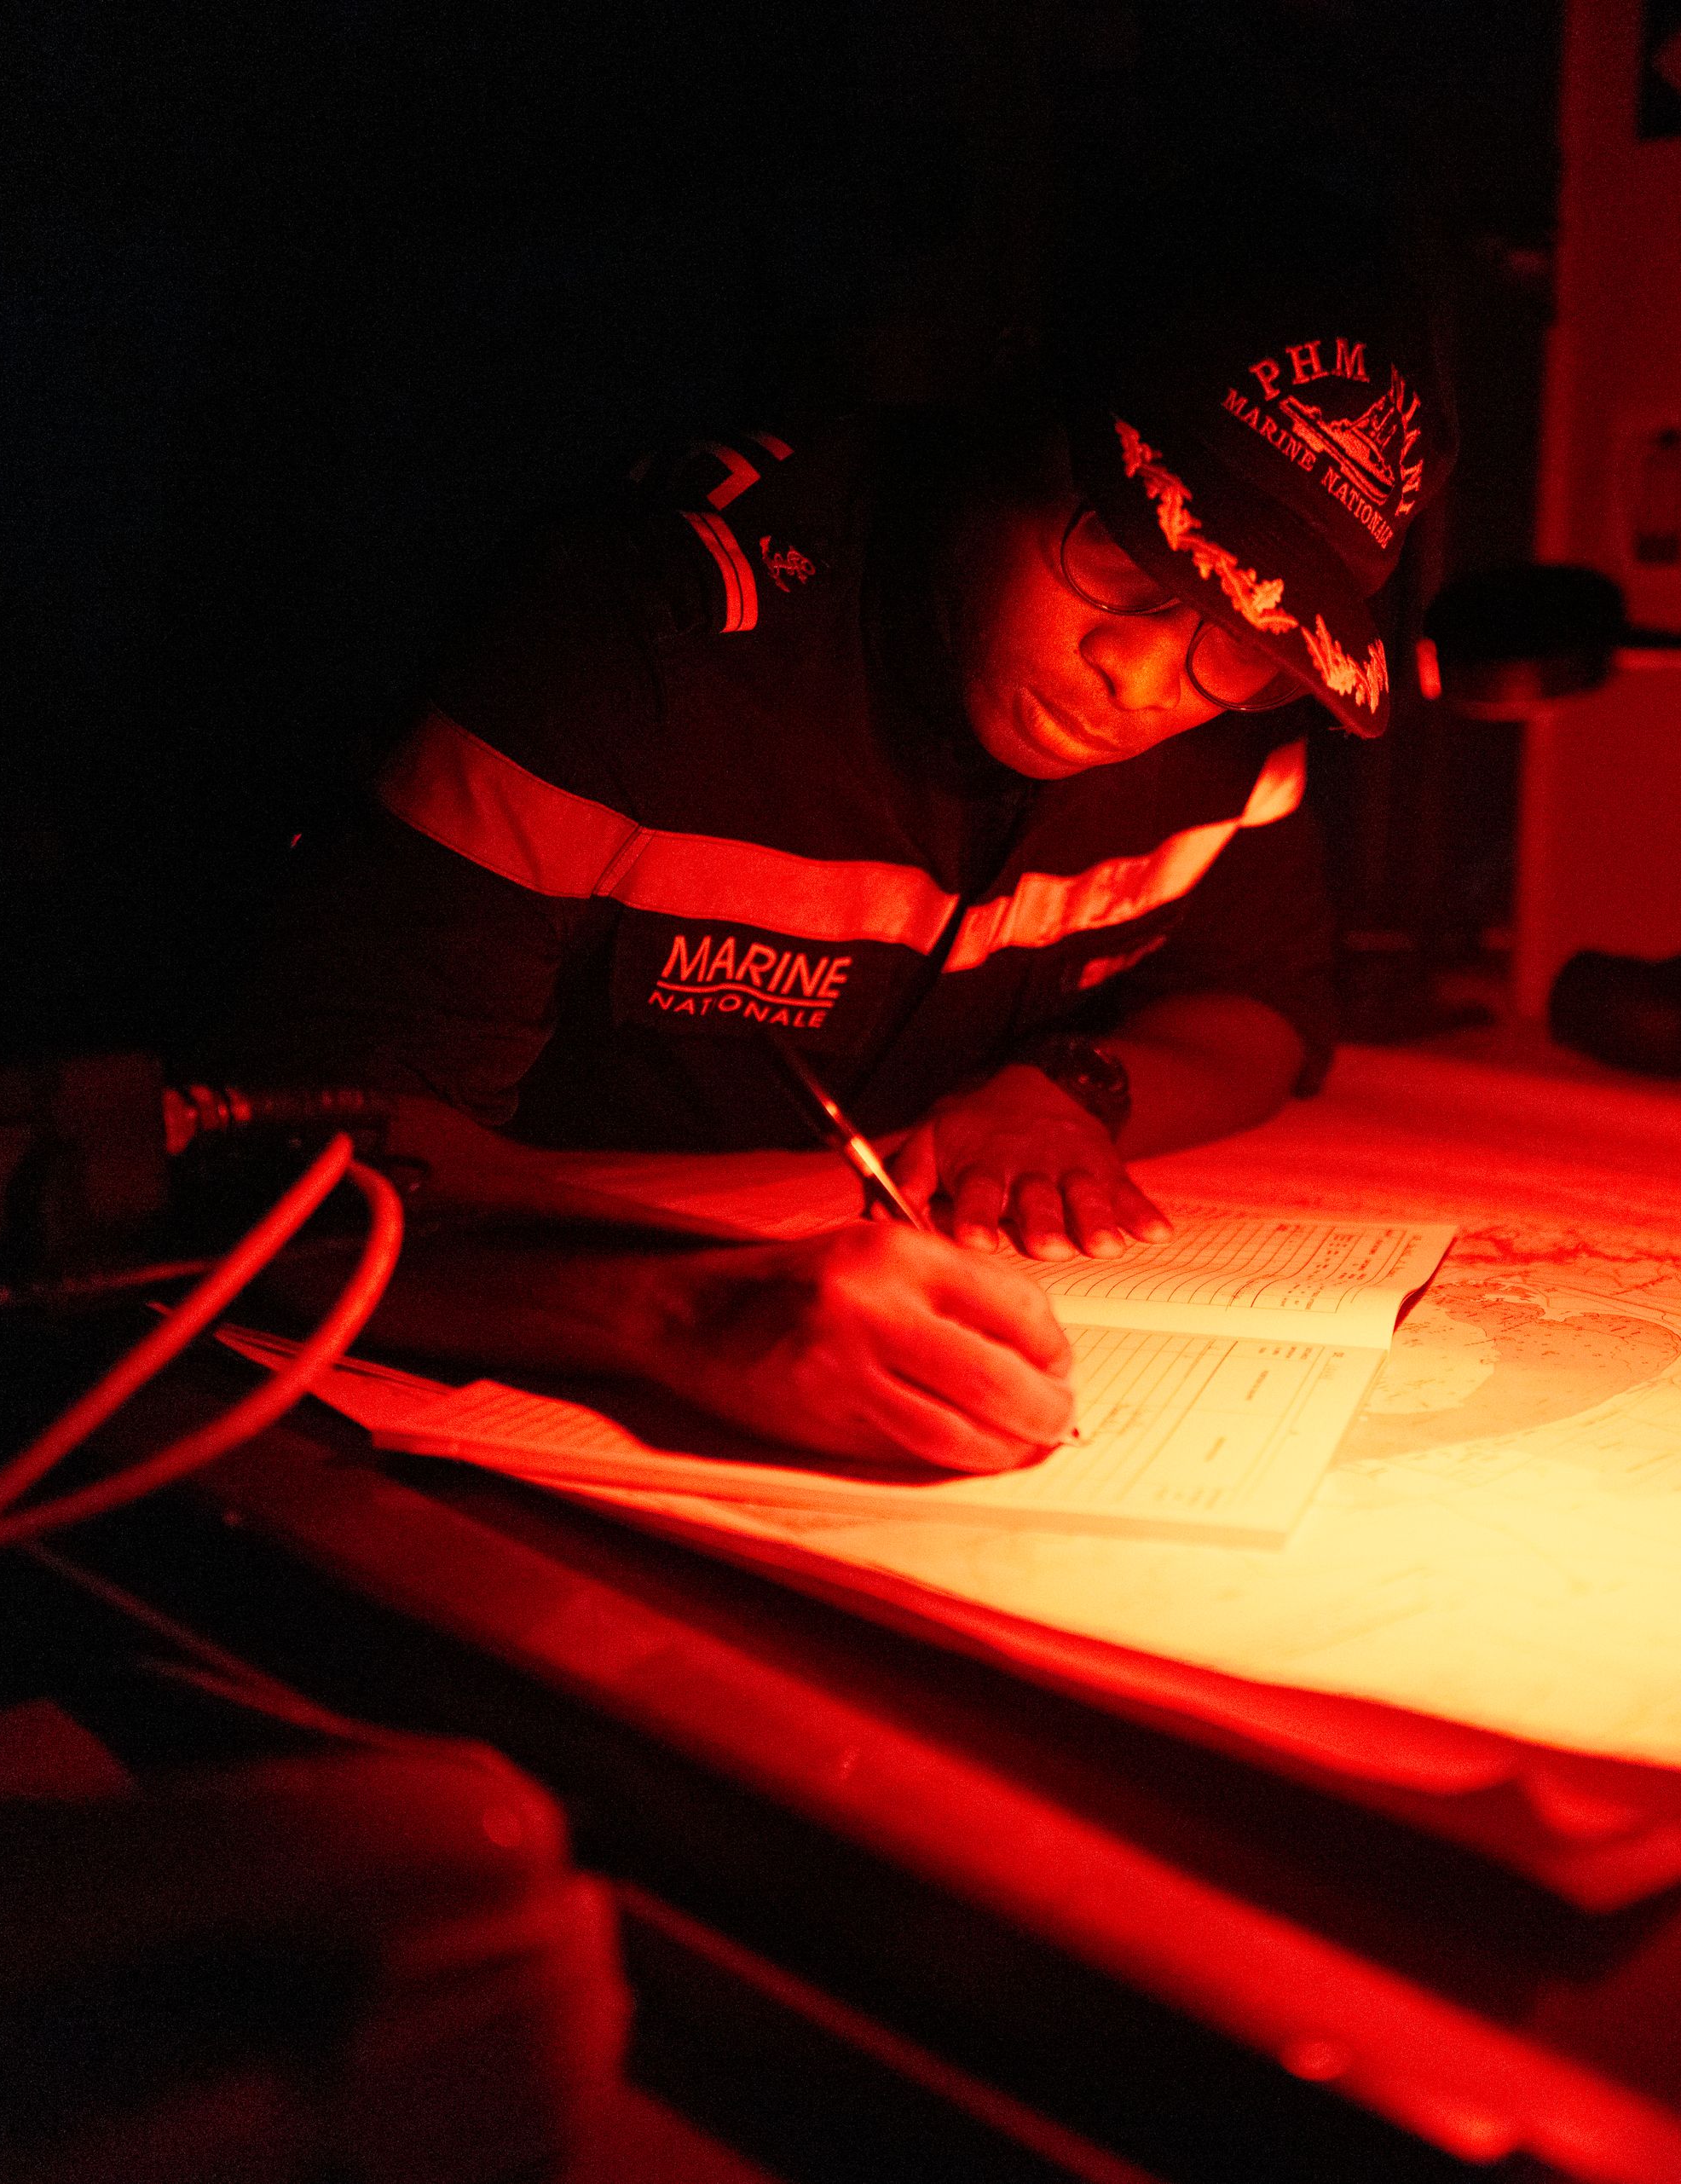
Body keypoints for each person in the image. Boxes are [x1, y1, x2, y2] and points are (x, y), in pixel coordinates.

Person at [236, 276, 1454, 1477]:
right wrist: (686, 1311)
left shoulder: (1235, 723)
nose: (1142, 681)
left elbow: (1266, 1008)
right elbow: (294, 1167)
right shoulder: (644, 647)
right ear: (1009, 427)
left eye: (1241, 638)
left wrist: (1074, 1086)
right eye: (1116, 558)